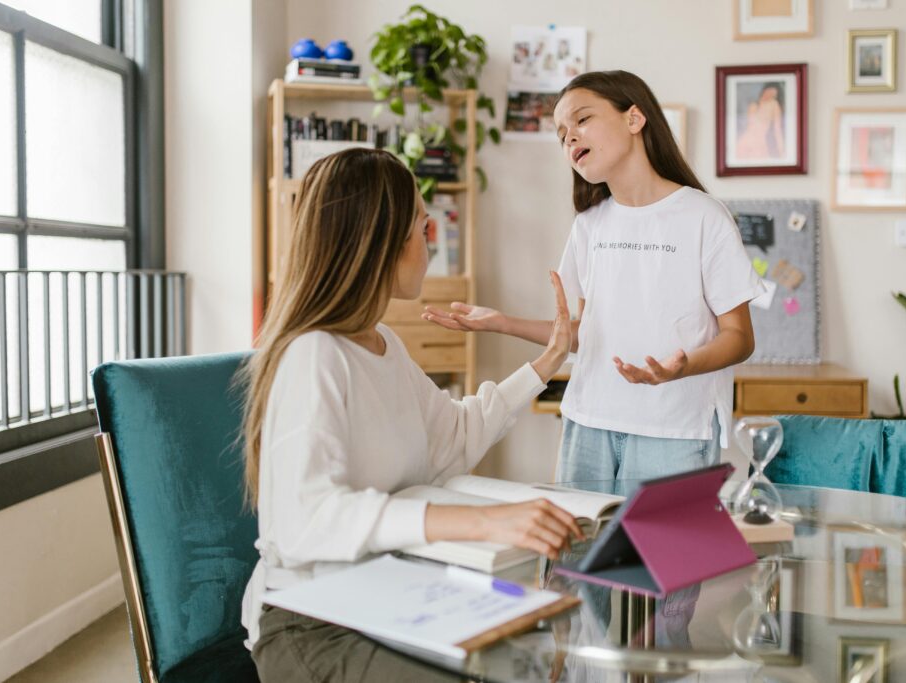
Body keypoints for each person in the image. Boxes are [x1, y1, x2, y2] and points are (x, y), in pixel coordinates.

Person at [239, 148, 584, 682]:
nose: (431, 242)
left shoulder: (384, 347)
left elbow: (454, 436)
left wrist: (547, 362)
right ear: (383, 243)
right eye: (424, 227)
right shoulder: (314, 355)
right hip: (312, 620)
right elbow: (306, 517)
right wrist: (481, 521)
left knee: (530, 658)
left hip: (387, 592)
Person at [423, 69, 764, 492]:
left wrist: (684, 367)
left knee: (657, 559)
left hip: (673, 430)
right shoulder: (590, 225)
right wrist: (500, 322)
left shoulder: (704, 217)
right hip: (588, 423)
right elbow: (585, 335)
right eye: (561, 132)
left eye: (582, 120)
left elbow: (740, 336)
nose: (569, 137)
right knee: (576, 556)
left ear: (634, 119)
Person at [735, 83, 785, 160]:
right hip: (745, 142)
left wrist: (781, 150)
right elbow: (749, 127)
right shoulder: (753, 105)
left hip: (759, 145)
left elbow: (777, 130)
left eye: (773, 95)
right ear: (764, 90)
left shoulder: (774, 105)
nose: (769, 95)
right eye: (768, 92)